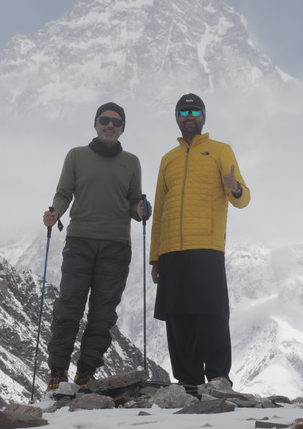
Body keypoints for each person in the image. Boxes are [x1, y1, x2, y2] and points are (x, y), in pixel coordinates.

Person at [42, 102, 148, 392]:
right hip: (80, 241)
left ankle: (86, 373)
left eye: (116, 122)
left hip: (116, 245)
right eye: (105, 120)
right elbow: (64, 192)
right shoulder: (76, 156)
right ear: (96, 124)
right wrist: (56, 212)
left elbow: (132, 203)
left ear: (123, 127)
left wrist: (140, 211)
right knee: (69, 306)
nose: (110, 125)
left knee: (103, 313)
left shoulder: (132, 162)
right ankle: (58, 373)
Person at [150, 93, 250, 391]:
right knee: (177, 318)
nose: (189, 115)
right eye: (183, 111)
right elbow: (160, 208)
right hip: (170, 250)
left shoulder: (221, 151)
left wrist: (234, 188)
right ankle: (188, 382)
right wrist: (156, 257)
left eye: (194, 110)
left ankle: (219, 378)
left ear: (204, 116)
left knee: (211, 315)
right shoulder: (168, 159)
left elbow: (243, 199)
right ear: (177, 117)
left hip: (206, 246)